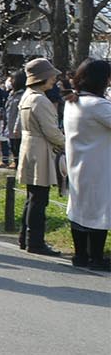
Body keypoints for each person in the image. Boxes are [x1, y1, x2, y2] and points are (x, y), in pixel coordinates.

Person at [62, 58, 111, 271]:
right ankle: (97, 258)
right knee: (99, 210)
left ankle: (81, 255)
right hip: (99, 165)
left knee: (80, 208)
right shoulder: (98, 105)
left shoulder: (73, 101)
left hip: (78, 163)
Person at [16, 57, 66, 258]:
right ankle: (35, 241)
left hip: (29, 147)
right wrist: (67, 144)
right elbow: (51, 131)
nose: (54, 79)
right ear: (43, 77)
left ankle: (25, 237)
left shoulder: (27, 96)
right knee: (39, 198)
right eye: (51, 76)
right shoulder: (40, 100)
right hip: (41, 149)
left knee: (32, 196)